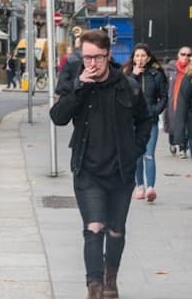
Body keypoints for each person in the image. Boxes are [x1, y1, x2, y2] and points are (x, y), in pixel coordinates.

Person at [49, 29, 150, 299]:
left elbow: (146, 120)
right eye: (86, 58)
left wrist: (136, 150)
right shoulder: (78, 84)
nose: (91, 64)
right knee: (94, 228)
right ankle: (94, 287)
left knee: (115, 231)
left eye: (97, 58)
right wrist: (79, 88)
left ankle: (110, 280)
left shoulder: (128, 86)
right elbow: (57, 117)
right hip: (87, 171)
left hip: (120, 172)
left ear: (108, 55)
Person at [122, 43, 168, 202]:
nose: (140, 59)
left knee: (149, 154)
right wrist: (133, 75)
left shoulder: (156, 75)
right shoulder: (126, 75)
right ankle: (139, 185)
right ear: (133, 58)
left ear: (148, 58)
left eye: (143, 56)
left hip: (150, 121)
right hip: (131, 121)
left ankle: (150, 188)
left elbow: (164, 97)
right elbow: (122, 93)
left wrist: (155, 111)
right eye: (137, 56)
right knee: (137, 154)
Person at [164, 46, 191, 157]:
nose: (186, 57)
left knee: (184, 122)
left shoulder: (190, 70)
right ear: (178, 55)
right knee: (172, 122)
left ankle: (183, 147)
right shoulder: (170, 69)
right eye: (183, 54)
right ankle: (173, 142)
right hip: (172, 101)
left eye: (189, 55)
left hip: (186, 101)